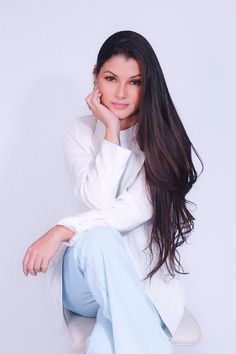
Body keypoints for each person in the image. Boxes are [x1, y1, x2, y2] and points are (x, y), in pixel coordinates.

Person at [22, 30, 204, 354]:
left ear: (148, 86)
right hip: (83, 281)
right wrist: (111, 131)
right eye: (110, 78)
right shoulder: (79, 132)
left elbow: (126, 214)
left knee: (107, 343)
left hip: (140, 279)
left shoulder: (165, 144)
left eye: (134, 82)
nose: (121, 93)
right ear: (95, 77)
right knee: (98, 239)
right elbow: (100, 202)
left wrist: (61, 230)